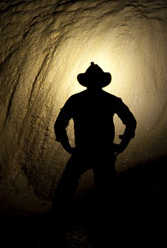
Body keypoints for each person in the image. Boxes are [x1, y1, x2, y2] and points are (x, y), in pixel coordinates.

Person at [52, 62, 136, 208]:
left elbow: (59, 124)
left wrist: (68, 147)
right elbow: (131, 122)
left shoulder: (75, 100)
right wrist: (123, 144)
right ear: (102, 82)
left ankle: (58, 221)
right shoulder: (111, 100)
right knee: (106, 194)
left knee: (66, 188)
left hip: (83, 151)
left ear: (86, 82)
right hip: (104, 151)